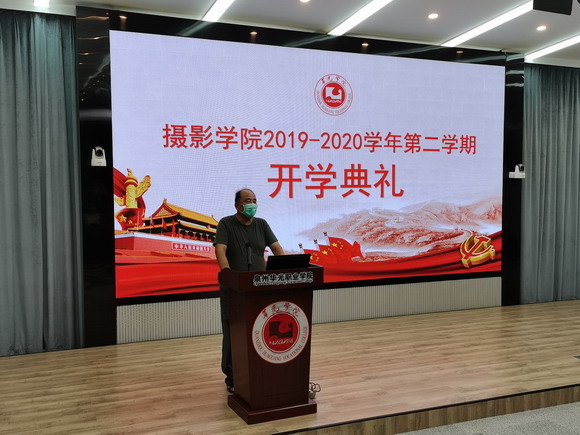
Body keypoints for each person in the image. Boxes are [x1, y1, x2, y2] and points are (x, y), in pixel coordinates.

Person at [213, 188, 285, 393]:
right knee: (233, 332)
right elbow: (220, 249)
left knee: (259, 331)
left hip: (259, 289)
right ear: (238, 205)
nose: (252, 204)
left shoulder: (261, 224)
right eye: (247, 201)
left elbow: (276, 248)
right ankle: (232, 376)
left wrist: (286, 267)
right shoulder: (226, 223)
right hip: (234, 289)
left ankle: (258, 369)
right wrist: (227, 273)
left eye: (254, 200)